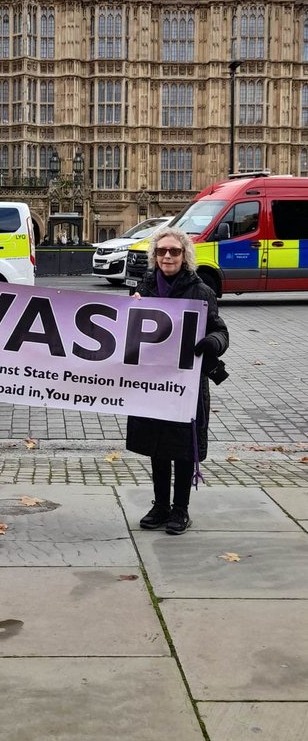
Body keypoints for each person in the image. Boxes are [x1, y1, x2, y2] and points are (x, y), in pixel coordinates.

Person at [126, 226, 229, 535]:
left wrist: (213, 342)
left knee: (183, 446)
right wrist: (131, 308)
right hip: (153, 381)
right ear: (155, 256)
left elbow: (220, 330)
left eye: (174, 251)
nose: (167, 256)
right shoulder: (144, 288)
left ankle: (180, 509)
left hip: (186, 383)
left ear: (185, 255)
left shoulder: (201, 291)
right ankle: (160, 505)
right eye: (161, 251)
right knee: (157, 446)